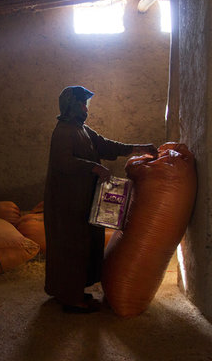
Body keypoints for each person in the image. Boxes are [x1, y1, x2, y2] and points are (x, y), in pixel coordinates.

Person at [43, 86, 158, 313]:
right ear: (70, 106)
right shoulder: (63, 132)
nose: (86, 109)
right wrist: (94, 167)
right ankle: (71, 299)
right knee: (71, 248)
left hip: (82, 199)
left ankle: (70, 292)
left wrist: (138, 148)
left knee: (84, 245)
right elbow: (63, 162)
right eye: (81, 104)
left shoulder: (82, 130)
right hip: (66, 203)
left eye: (87, 104)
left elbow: (105, 145)